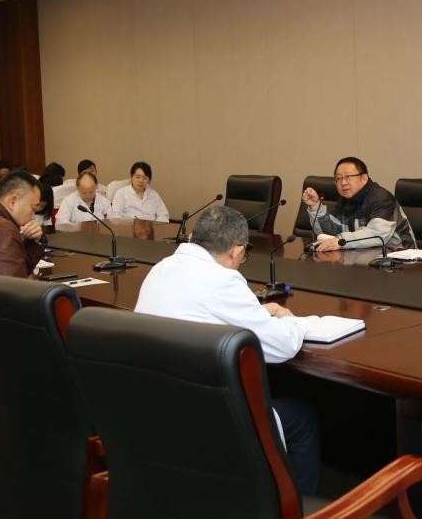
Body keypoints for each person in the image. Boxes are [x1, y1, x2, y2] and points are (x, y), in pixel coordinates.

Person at [134, 205, 319, 493]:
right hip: (207, 424)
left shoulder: (161, 268)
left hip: (154, 414)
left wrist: (255, 313)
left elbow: (204, 311)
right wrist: (291, 320)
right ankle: (293, 507)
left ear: (193, 237)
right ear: (236, 251)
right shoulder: (223, 280)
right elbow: (281, 346)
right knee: (303, 416)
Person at [301, 157, 415, 251]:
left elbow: (377, 234)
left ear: (364, 178)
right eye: (338, 178)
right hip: (362, 256)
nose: (343, 183)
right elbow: (331, 234)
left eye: (348, 177)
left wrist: (340, 241)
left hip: (400, 259)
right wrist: (315, 207)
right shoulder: (345, 199)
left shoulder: (382, 198)